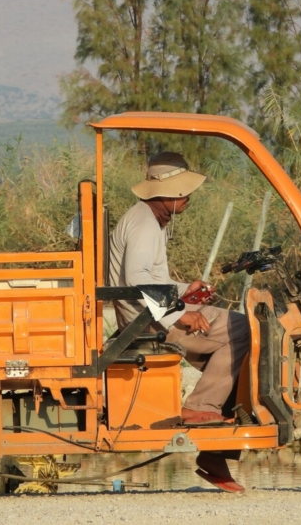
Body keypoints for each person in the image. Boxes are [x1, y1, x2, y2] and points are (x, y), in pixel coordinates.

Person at [108, 151, 250, 493]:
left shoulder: (148, 219)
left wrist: (186, 289)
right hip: (149, 323)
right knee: (242, 329)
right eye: (183, 193)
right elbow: (138, 278)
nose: (187, 199)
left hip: (150, 317)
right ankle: (202, 409)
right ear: (167, 195)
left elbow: (151, 278)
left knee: (232, 341)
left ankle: (215, 445)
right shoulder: (144, 223)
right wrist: (180, 313)